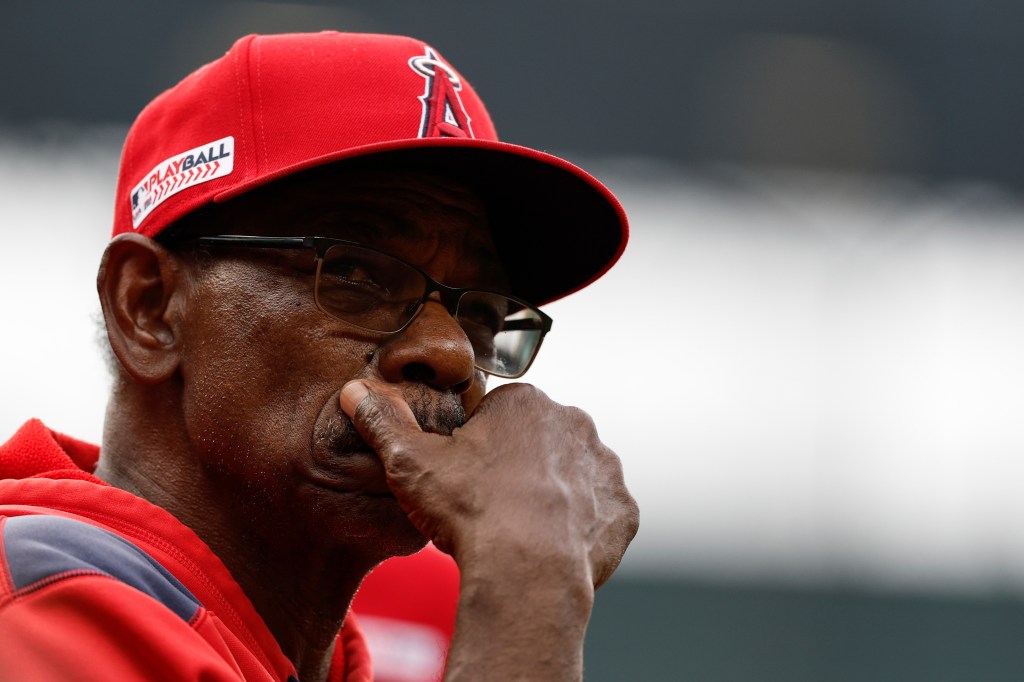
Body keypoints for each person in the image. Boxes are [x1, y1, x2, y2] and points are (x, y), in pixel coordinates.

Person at [0, 31, 638, 681]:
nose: (450, 354)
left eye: (481, 313)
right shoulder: (40, 602)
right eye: (357, 274)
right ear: (150, 308)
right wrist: (527, 586)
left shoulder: (308, 660)